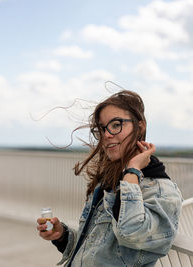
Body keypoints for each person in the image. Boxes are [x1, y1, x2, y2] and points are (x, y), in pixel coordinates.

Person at [37, 90, 183, 266]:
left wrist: (133, 170)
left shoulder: (162, 192)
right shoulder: (109, 183)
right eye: (102, 128)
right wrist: (62, 236)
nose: (106, 135)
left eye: (116, 125)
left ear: (140, 126)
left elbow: (131, 234)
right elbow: (96, 252)